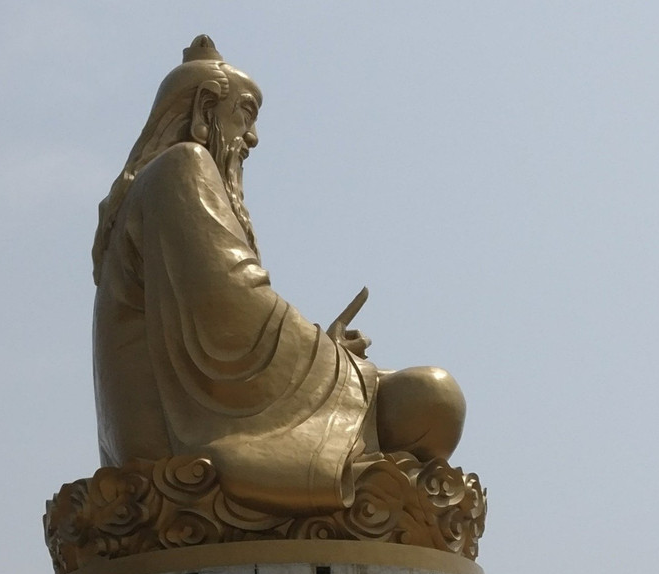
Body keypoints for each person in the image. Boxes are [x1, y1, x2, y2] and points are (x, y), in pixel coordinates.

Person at [91, 35, 465, 514]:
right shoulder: (181, 167)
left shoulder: (159, 184)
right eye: (244, 115)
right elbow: (230, 314)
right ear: (206, 107)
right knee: (434, 397)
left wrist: (322, 352)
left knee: (425, 403)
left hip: (193, 418)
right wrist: (331, 359)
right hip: (182, 436)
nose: (252, 138)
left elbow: (233, 311)